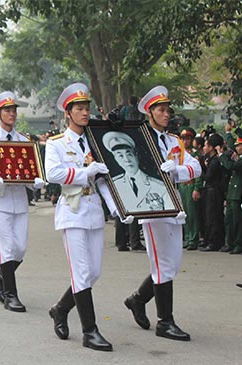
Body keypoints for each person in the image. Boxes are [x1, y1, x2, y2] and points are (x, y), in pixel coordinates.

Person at [45, 83, 125, 352]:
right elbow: (53, 174)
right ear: (68, 113)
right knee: (80, 272)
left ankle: (60, 308)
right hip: (72, 210)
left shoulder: (94, 142)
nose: (85, 113)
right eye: (79, 109)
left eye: (87, 108)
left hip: (93, 211)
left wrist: (117, 207)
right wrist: (85, 172)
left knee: (93, 272)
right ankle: (90, 331)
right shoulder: (56, 143)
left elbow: (102, 180)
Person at [124, 85, 201, 342]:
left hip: (174, 207)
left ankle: (138, 299)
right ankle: (164, 322)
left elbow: (195, 167)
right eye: (160, 109)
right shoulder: (139, 140)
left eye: (168, 109)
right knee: (162, 265)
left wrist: (177, 171)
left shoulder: (173, 141)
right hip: (152, 206)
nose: (166, 114)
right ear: (150, 112)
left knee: (173, 264)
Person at [0, 91, 45, 312]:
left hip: (19, 201)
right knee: (7, 248)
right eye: (7, 110)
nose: (12, 114)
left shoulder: (24, 140)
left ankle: (0, 278)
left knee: (20, 249)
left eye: (14, 110)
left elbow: (30, 171)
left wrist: (37, 182)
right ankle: (10, 296)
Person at [102, 131, 173, 212]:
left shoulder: (160, 186)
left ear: (136, 155)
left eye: (129, 154)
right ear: (116, 159)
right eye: (120, 156)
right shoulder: (114, 185)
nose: (126, 160)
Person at [199, 133, 226, 252]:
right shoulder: (210, 160)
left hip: (213, 191)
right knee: (207, 216)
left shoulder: (215, 161)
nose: (204, 148)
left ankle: (214, 242)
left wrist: (200, 169)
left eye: (206, 145)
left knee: (213, 217)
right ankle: (208, 239)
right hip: (209, 191)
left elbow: (208, 177)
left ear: (212, 147)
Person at [217, 133, 242, 254]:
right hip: (233, 194)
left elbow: (230, 166)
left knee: (237, 221)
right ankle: (231, 243)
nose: (237, 148)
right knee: (229, 220)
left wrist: (221, 155)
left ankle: (238, 244)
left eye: (239, 145)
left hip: (238, 194)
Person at [178, 128, 202, 250]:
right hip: (181, 186)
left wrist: (197, 188)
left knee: (192, 214)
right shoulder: (179, 154)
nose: (185, 141)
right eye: (183, 139)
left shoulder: (194, 155)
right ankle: (187, 237)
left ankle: (193, 238)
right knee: (184, 214)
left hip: (190, 185)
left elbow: (198, 174)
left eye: (187, 139)